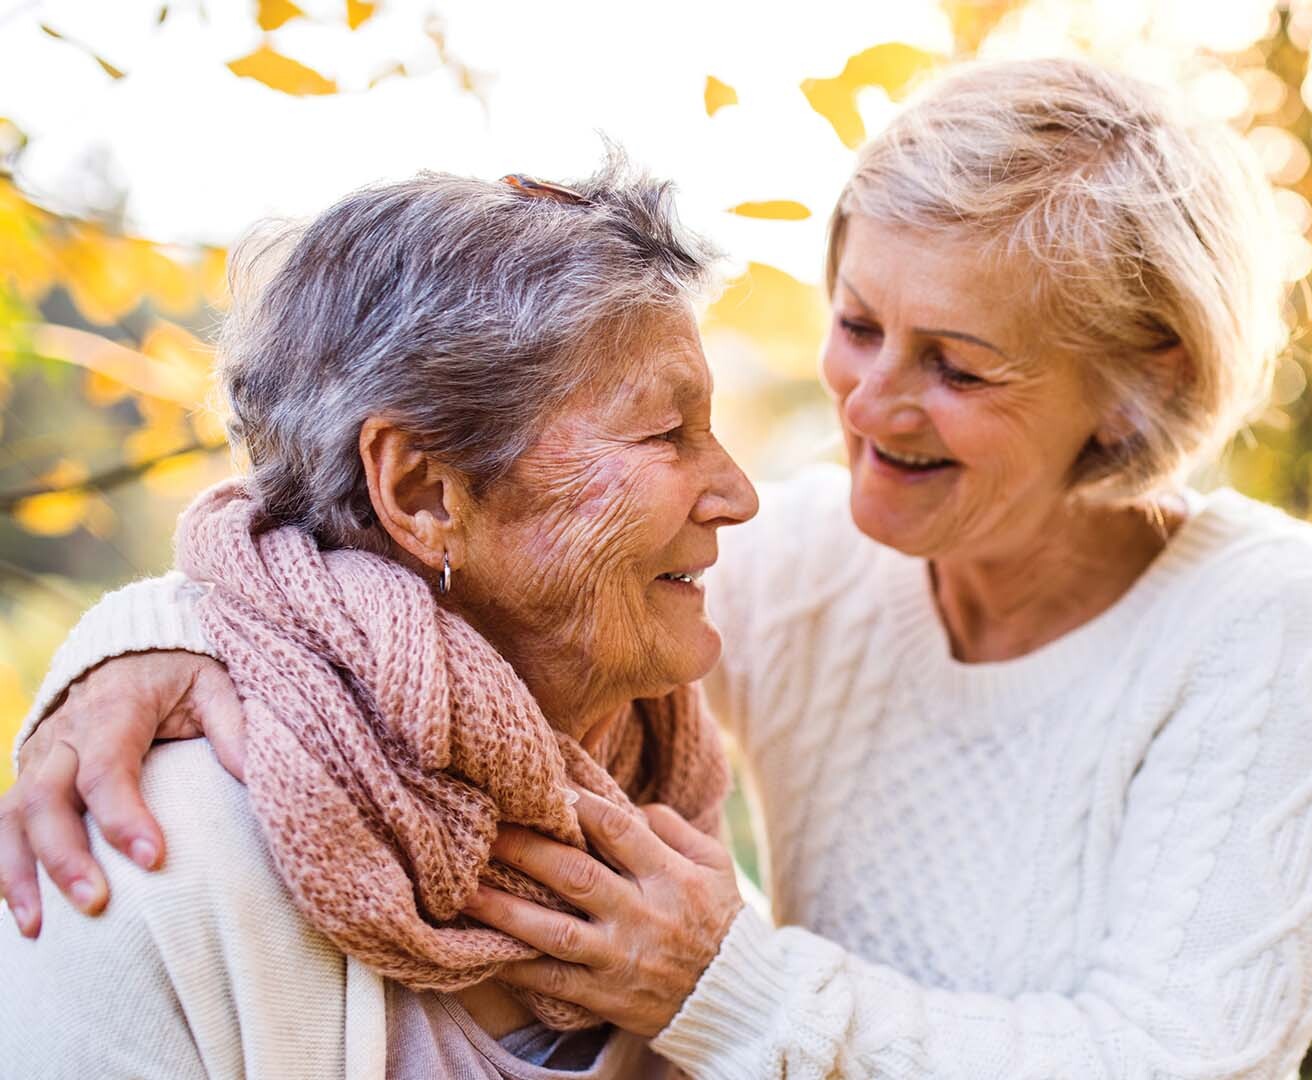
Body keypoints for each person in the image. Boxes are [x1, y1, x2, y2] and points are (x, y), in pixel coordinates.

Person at [3, 58, 1312, 1078]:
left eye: (958, 366)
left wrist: (731, 988)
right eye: (856, 325)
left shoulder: (1273, 621)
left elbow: (1178, 1060)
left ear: (1137, 384)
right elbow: (428, 551)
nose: (869, 405)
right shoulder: (807, 559)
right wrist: (144, 640)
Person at [0, 156, 758, 1078]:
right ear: (424, 490)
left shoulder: (660, 814)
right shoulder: (145, 862)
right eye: (665, 435)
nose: (738, 495)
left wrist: (736, 997)